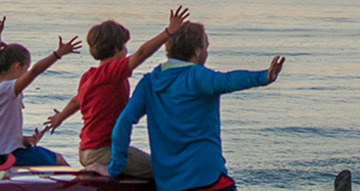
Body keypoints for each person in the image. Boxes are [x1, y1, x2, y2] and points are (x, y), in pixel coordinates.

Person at [87, 20, 286, 191]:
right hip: (209, 180)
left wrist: (115, 167)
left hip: (169, 185)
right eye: (205, 48)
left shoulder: (149, 83)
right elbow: (228, 80)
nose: (206, 53)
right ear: (197, 50)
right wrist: (264, 77)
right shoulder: (197, 76)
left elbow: (123, 123)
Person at [41, 6, 191, 178]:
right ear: (115, 48)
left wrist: (59, 118)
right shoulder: (110, 72)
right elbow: (141, 54)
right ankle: (102, 168)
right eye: (125, 46)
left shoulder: (89, 77)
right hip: (104, 152)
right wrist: (168, 33)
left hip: (86, 150)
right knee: (162, 169)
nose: (127, 51)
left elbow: (76, 101)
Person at [0, 14, 82, 171]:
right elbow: (34, 72)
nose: (26, 73)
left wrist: (25, 141)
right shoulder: (8, 89)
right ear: (17, 66)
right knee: (59, 161)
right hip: (7, 155)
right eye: (24, 69)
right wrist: (57, 54)